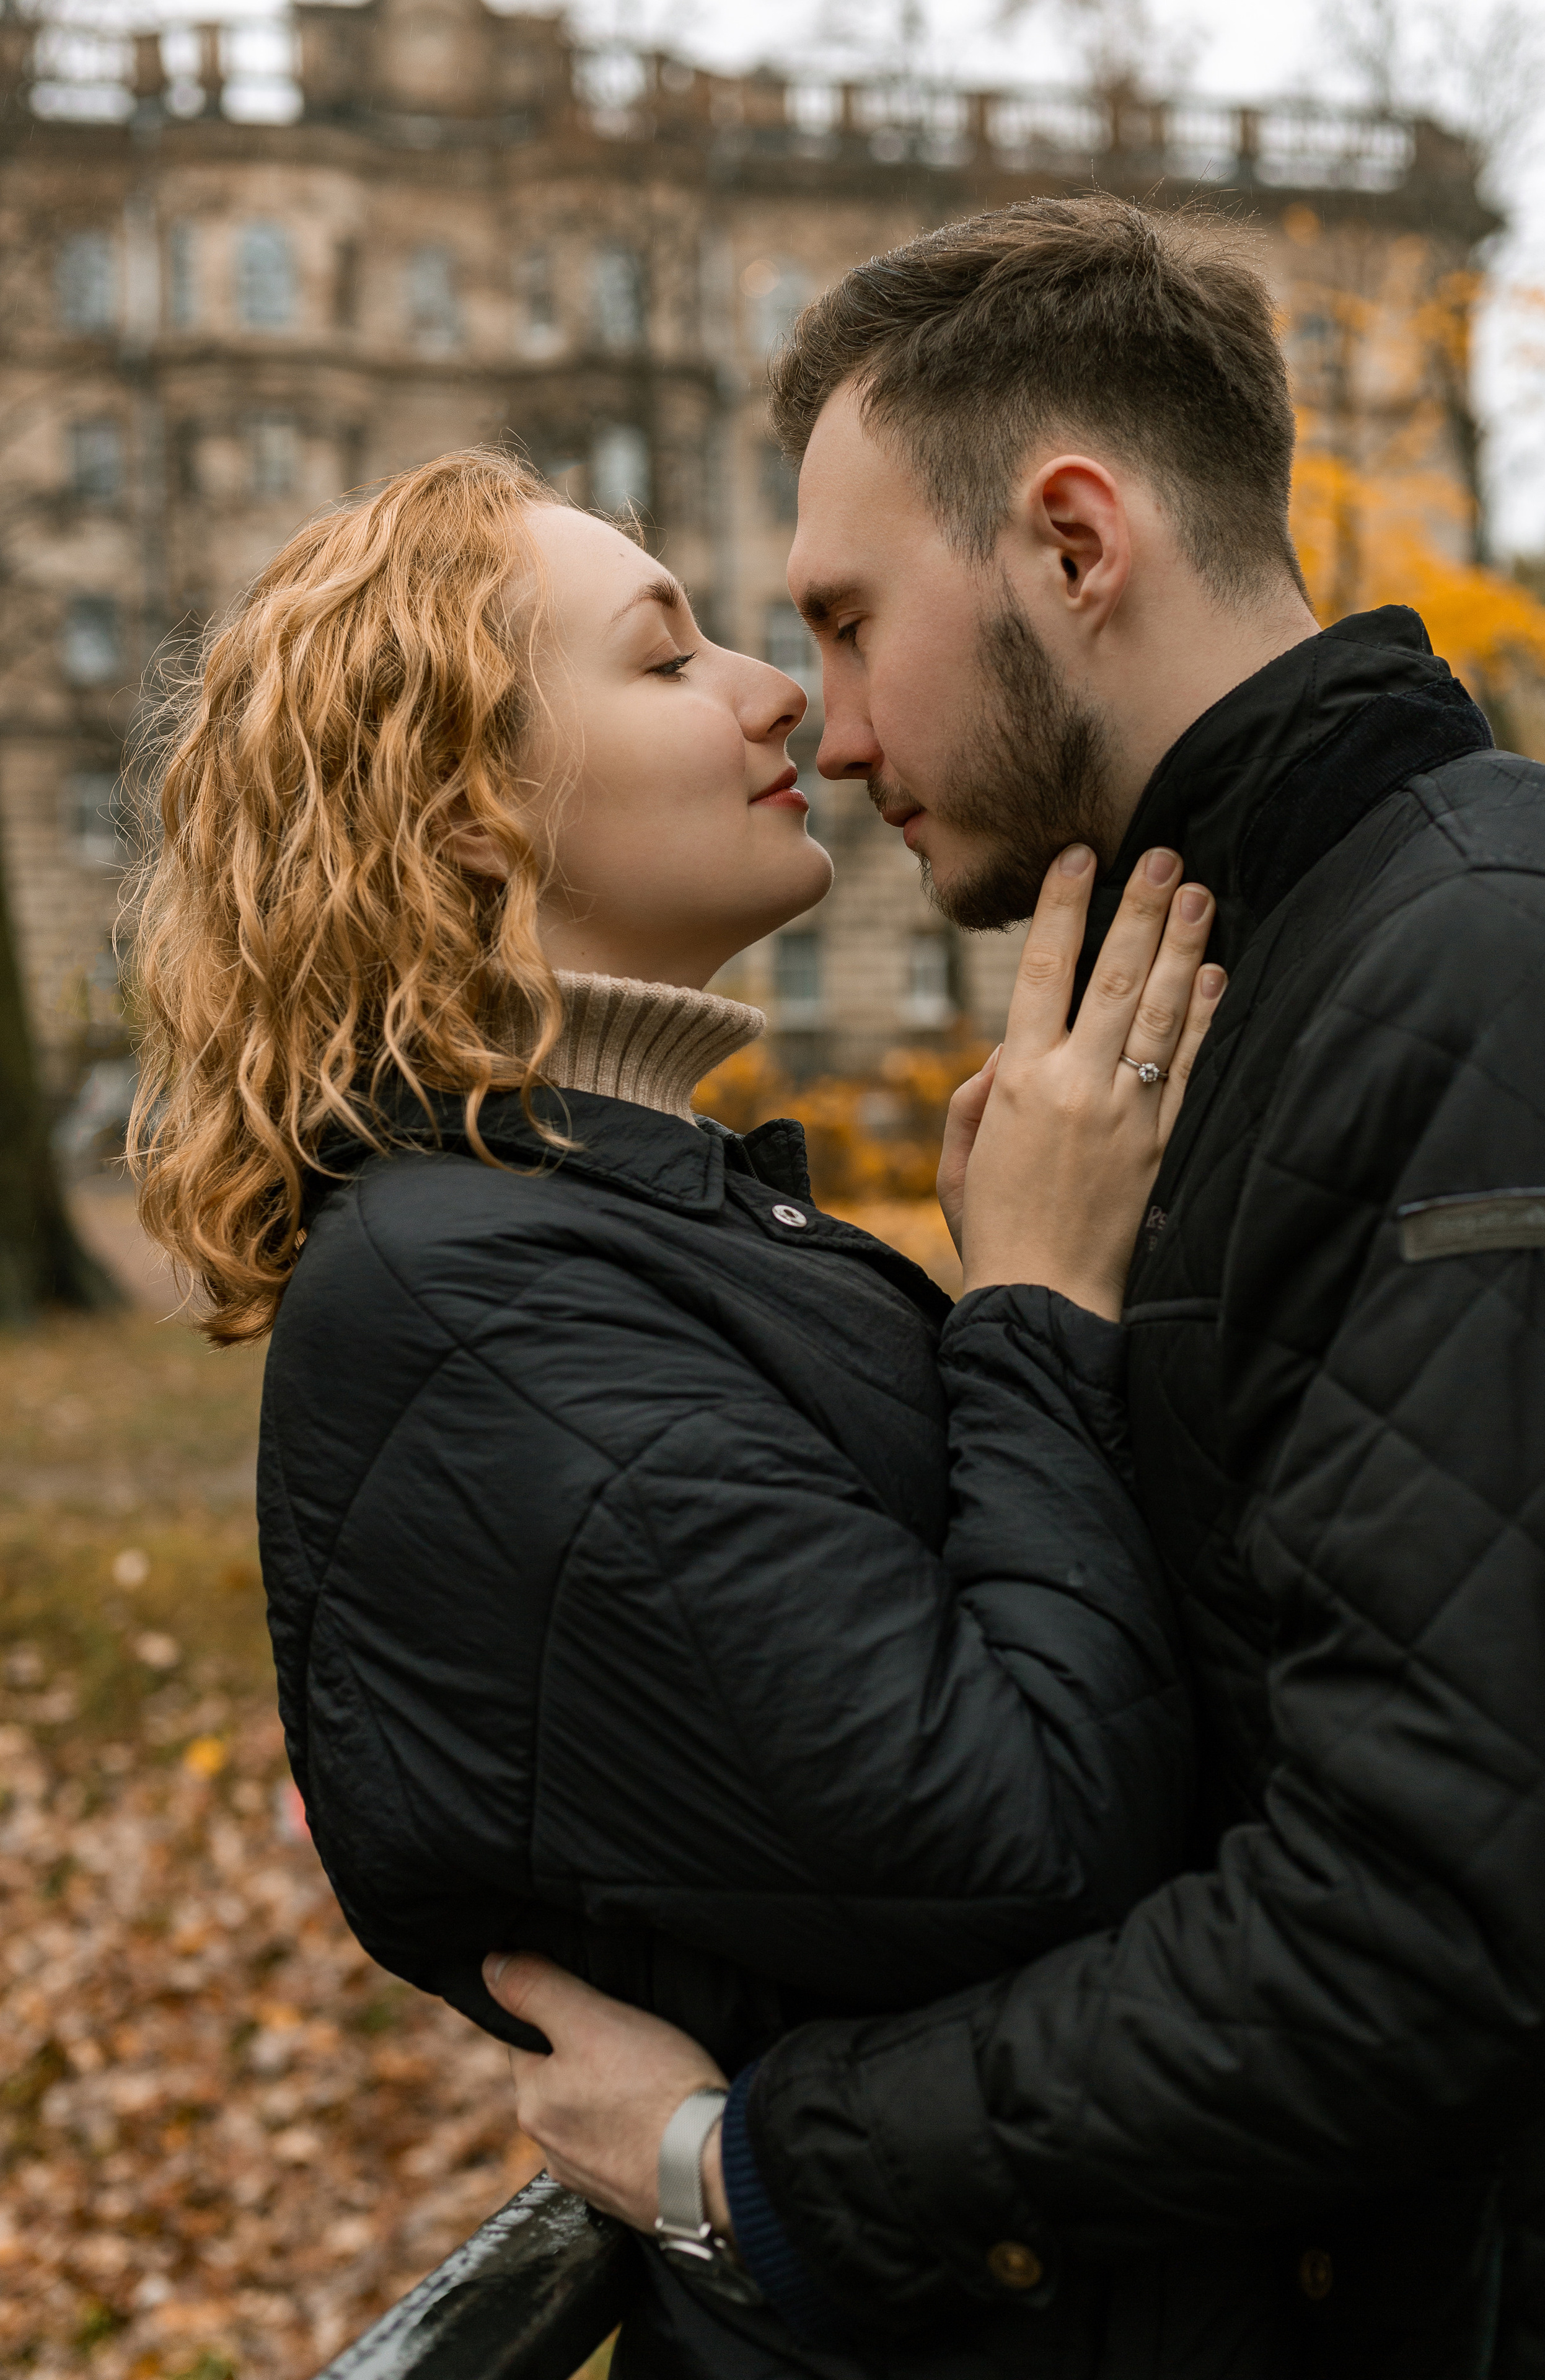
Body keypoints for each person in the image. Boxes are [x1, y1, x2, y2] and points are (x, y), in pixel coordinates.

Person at [483, 196, 1545, 2379]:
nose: (827, 718)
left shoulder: (1479, 972)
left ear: (1076, 546)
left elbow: (1426, 1935)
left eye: (849, 616)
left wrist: (756, 2164)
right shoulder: (1247, 989)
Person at [128, 446, 1232, 2378]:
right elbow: (1022, 1824)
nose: (777, 690)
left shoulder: (638, 1228)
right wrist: (1041, 1305)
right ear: (464, 815)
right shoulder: (470, 1302)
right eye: (665, 659)